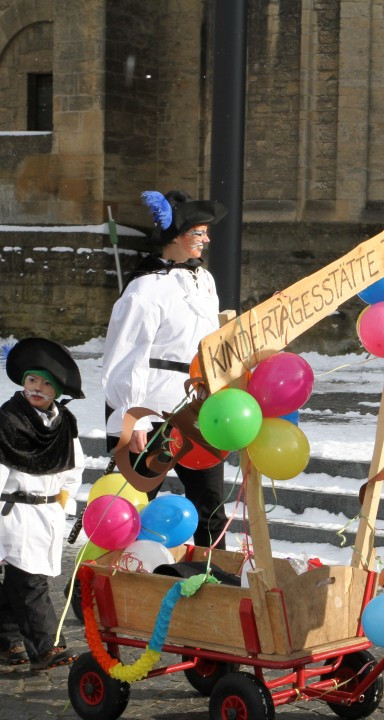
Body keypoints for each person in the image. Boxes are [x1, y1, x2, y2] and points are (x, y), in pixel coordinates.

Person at [101, 190, 228, 548]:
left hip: (198, 409)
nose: (206, 239)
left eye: (205, 232)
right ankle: (110, 582)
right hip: (152, 411)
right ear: (175, 236)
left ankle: (213, 577)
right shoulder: (144, 289)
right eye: (198, 232)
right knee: (136, 503)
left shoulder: (205, 282)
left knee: (210, 507)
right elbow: (124, 356)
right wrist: (133, 419)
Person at [0, 337, 85, 671]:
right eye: (32, 380)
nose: (37, 388)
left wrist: (61, 505)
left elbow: (73, 469)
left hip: (46, 512)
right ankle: (46, 647)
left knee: (18, 583)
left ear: (57, 391)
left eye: (46, 383)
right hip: (13, 513)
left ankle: (7, 641)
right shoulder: (8, 420)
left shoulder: (64, 424)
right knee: (30, 582)